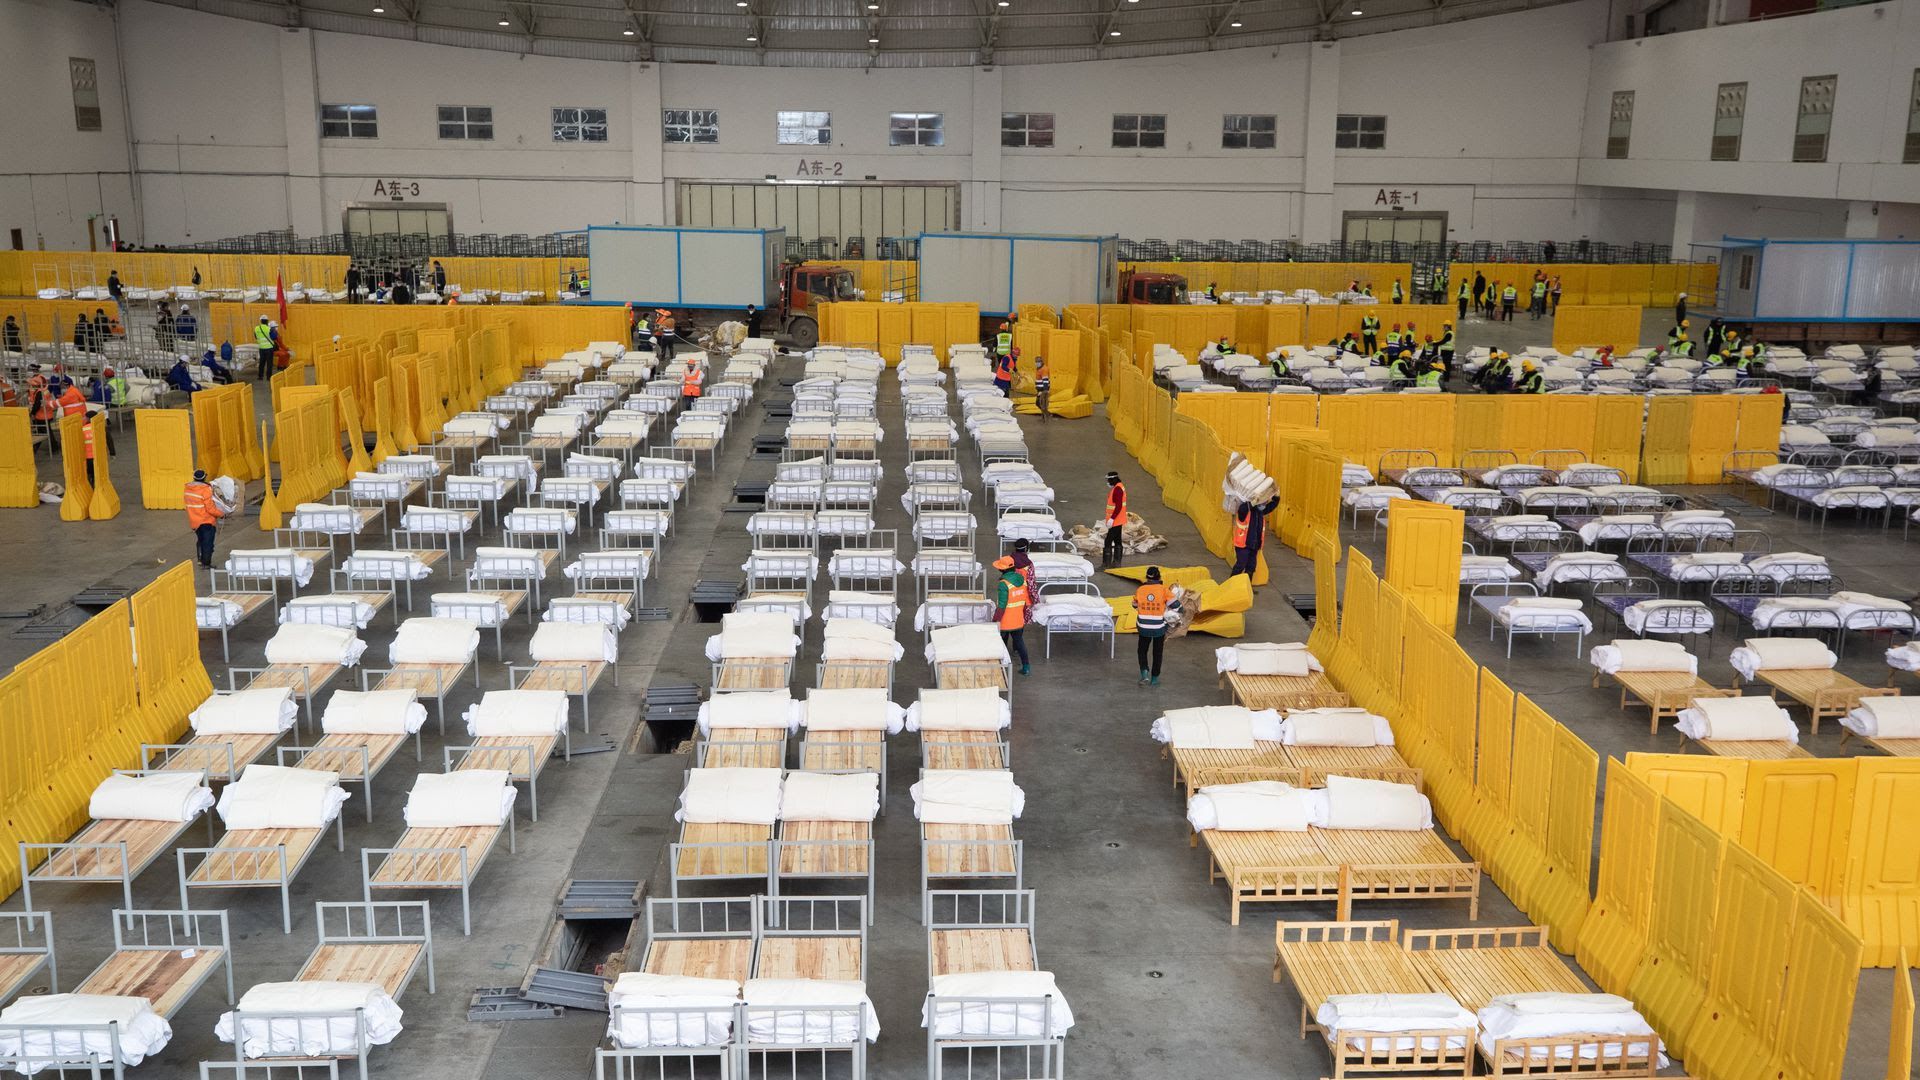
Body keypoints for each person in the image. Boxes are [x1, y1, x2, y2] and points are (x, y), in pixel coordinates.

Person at [1132, 567, 1179, 686]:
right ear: (1159, 577)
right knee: (1157, 652)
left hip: (1143, 626)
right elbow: (1177, 606)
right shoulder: (1164, 590)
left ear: (1146, 577)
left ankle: (1144, 673)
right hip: (1159, 627)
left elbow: (1134, 604)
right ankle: (1154, 679)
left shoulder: (1140, 589)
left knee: (1142, 650)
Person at [991, 556, 1032, 677]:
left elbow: (1002, 605)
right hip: (1018, 618)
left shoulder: (1004, 584)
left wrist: (995, 620)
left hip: (1005, 621)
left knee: (1002, 643)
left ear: (1002, 569)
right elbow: (1025, 599)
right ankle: (1026, 667)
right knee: (1019, 642)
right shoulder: (1022, 579)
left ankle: (1001, 669)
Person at [183, 469, 225, 569]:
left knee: (200, 540)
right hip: (206, 521)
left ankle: (200, 560)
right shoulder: (205, 489)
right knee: (208, 543)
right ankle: (206, 563)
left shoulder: (187, 489)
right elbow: (210, 508)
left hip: (194, 521)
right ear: (204, 477)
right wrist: (221, 514)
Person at [1229, 495, 1279, 579]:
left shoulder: (1260, 512)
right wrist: (1251, 503)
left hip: (1254, 545)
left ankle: (1247, 585)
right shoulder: (1246, 512)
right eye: (1263, 503)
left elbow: (1271, 506)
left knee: (1251, 567)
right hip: (1243, 544)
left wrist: (1276, 498)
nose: (1264, 505)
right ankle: (1230, 584)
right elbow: (1242, 509)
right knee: (1241, 565)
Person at [1103, 471, 1127, 566]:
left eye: (1108, 480)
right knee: (1117, 540)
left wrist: (1112, 519)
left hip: (1116, 520)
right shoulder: (1120, 486)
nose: (1108, 482)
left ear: (1112, 479)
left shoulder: (1117, 490)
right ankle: (1117, 563)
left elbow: (1118, 506)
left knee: (1108, 540)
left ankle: (1106, 564)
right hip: (1119, 519)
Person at [1032, 355, 1050, 420]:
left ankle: (1047, 415)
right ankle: (1045, 416)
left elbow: (1045, 380)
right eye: (1036, 361)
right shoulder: (1039, 368)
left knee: (1040, 403)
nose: (1037, 363)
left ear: (1041, 362)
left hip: (1043, 390)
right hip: (1040, 389)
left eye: (1038, 361)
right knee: (1042, 404)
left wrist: (1043, 391)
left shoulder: (1044, 369)